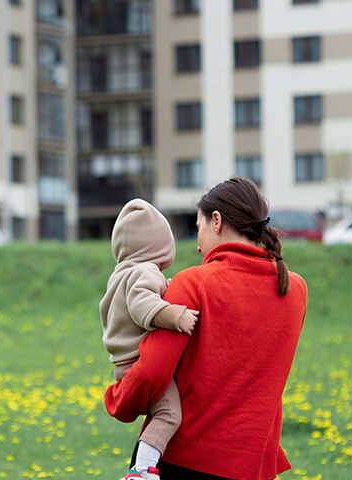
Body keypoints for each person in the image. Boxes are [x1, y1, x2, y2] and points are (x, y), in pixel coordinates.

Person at [104, 178, 309, 480]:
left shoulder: (194, 283)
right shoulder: (295, 289)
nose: (198, 245)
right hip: (256, 468)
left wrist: (118, 399)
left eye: (198, 228)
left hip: (184, 460)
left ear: (216, 221)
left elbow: (151, 372)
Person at [100, 199, 201, 480]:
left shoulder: (122, 274)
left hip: (124, 363)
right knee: (169, 414)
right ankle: (142, 470)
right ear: (159, 245)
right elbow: (142, 304)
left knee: (163, 413)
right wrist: (174, 315)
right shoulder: (143, 272)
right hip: (139, 362)